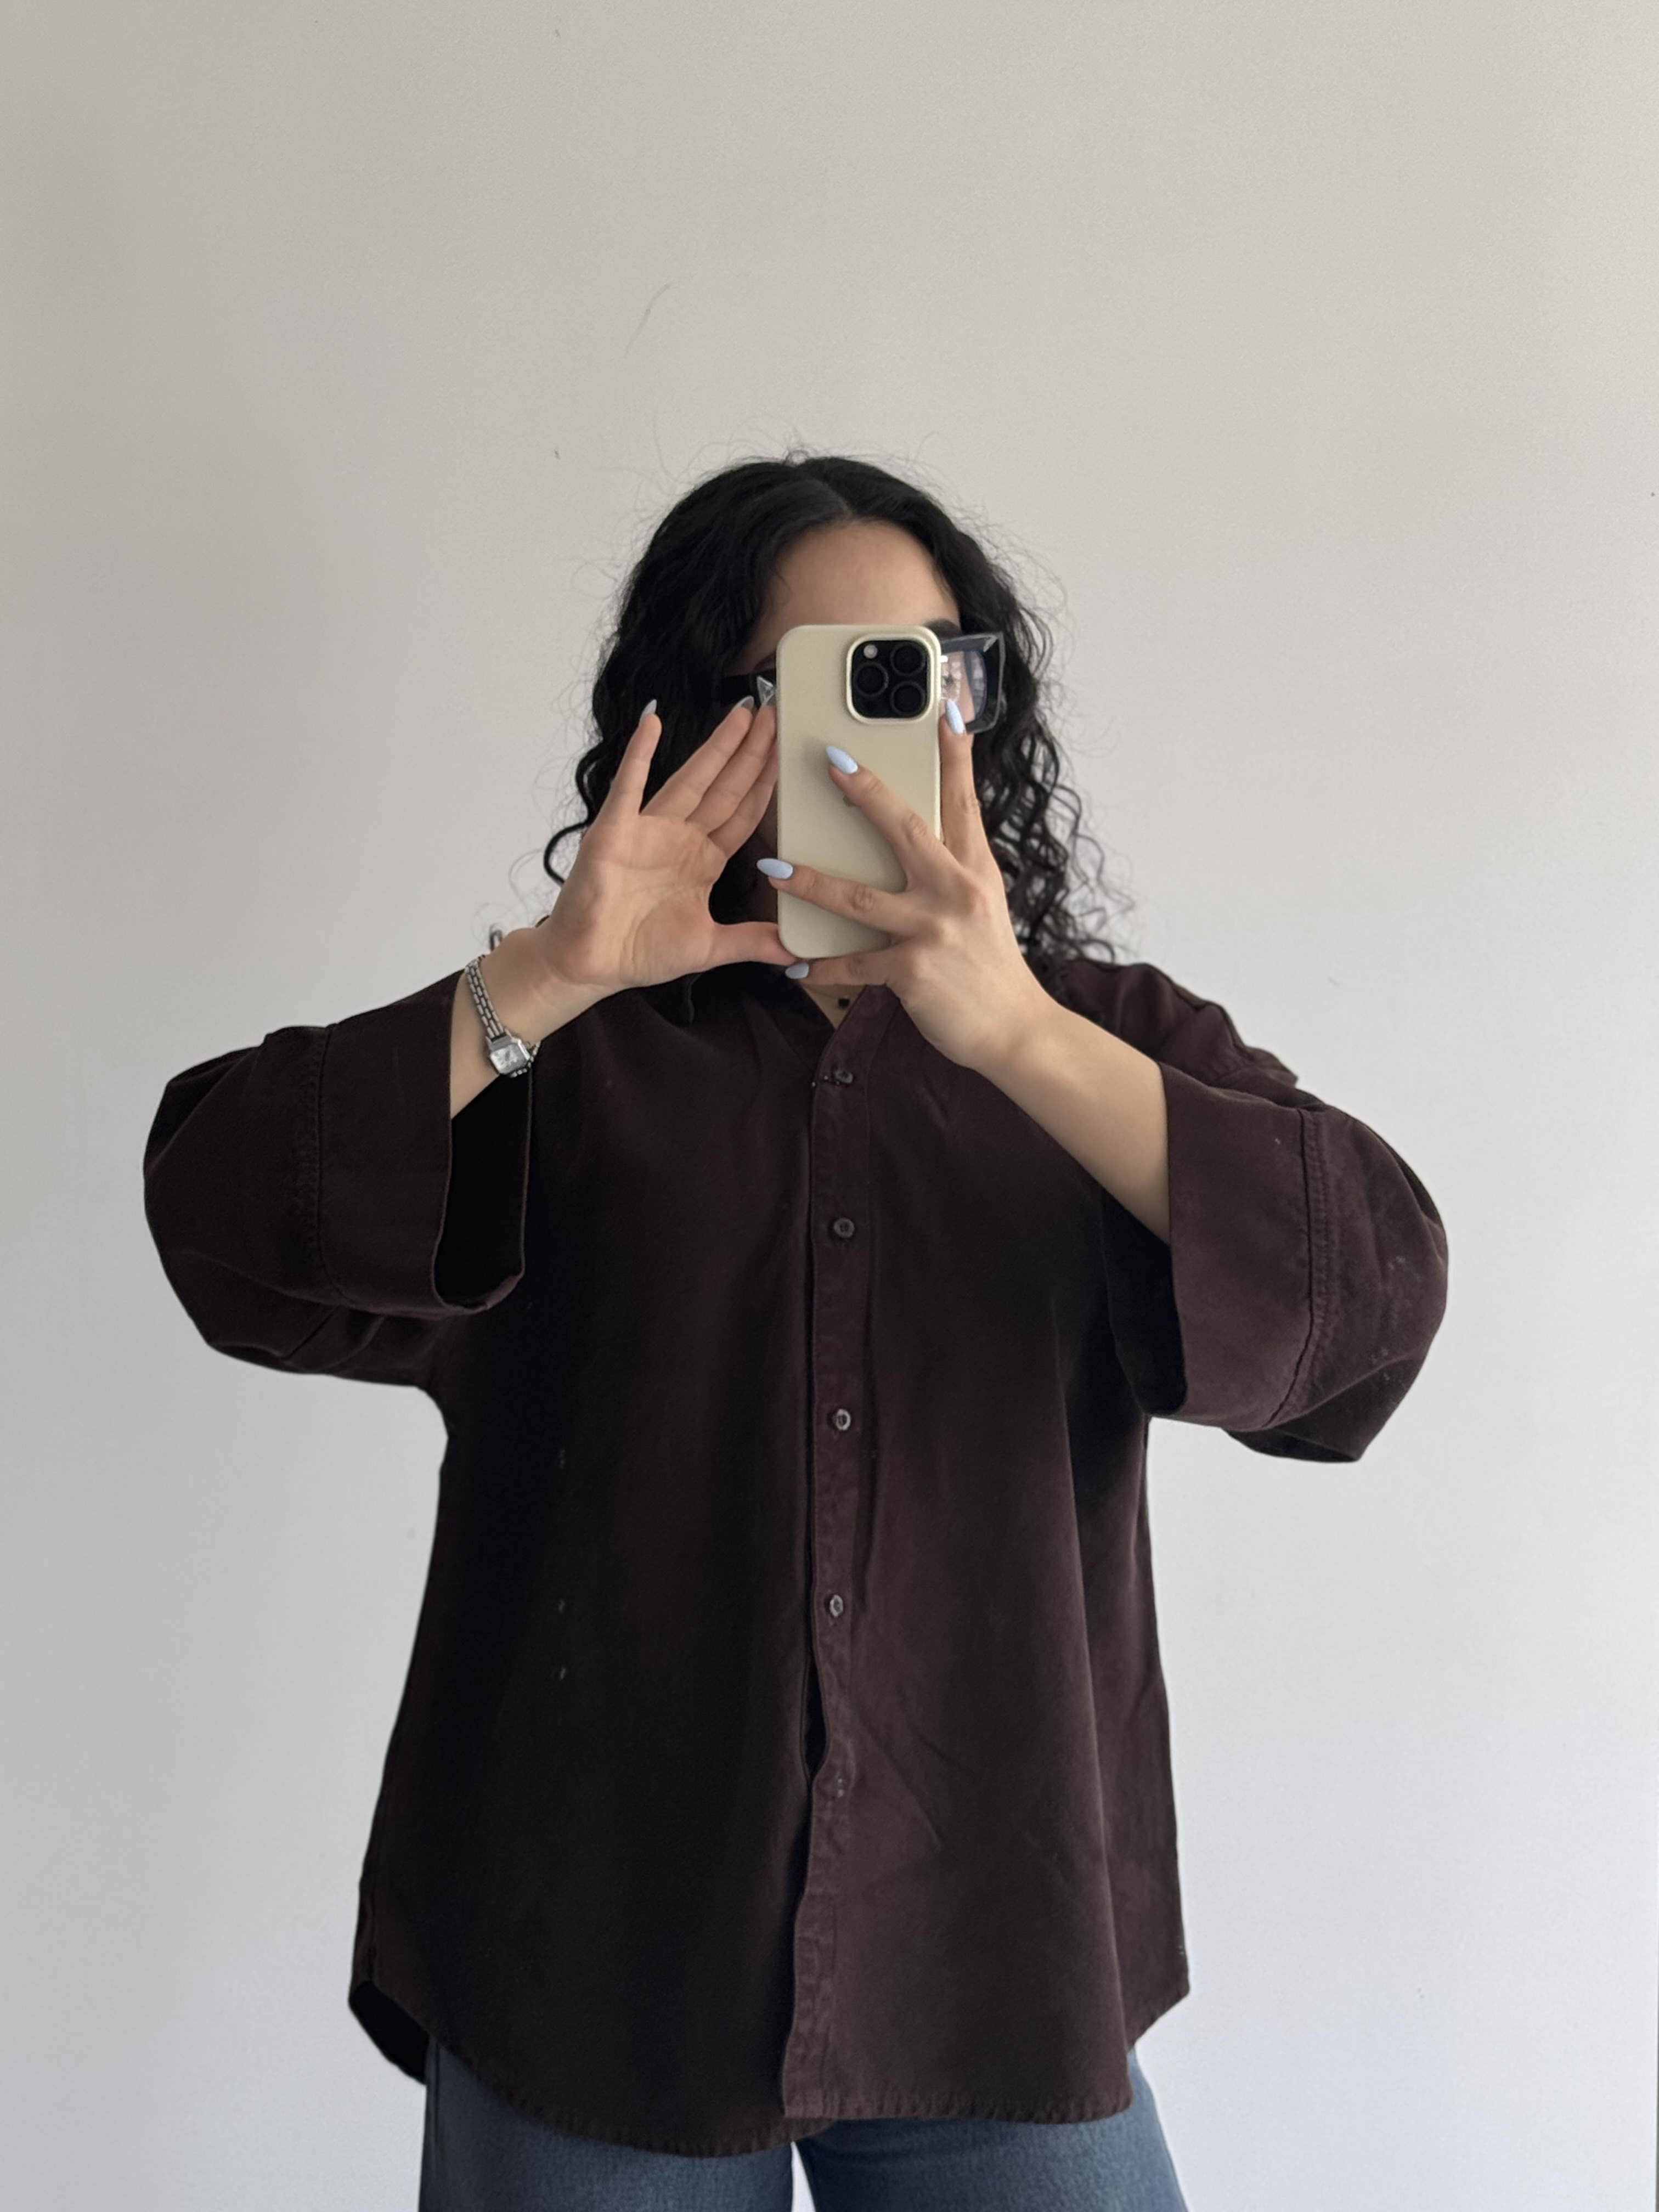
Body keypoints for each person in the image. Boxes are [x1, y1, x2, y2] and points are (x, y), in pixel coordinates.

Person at [143, 454, 1449, 2211]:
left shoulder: (1101, 1046)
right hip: (594, 1963)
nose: (889, 729)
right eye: (829, 678)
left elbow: (1372, 1309)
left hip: (995, 1952)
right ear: (708, 718)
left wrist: (1018, 1035)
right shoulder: (575, 1055)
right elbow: (219, 1215)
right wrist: (545, 974)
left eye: (934, 670)